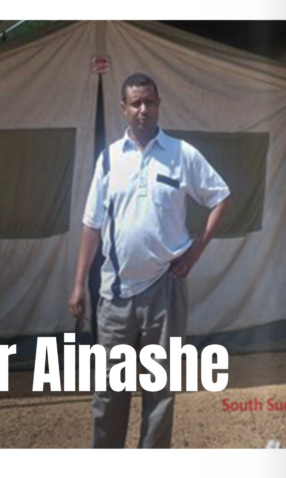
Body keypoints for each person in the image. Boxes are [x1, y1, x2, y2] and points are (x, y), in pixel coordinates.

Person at [70, 72, 230, 448]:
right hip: (116, 293)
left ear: (159, 105)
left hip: (165, 289)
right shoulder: (109, 159)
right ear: (123, 109)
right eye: (136, 103)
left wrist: (196, 250)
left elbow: (221, 197)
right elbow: (92, 225)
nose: (143, 109)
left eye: (150, 102)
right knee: (110, 390)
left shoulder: (181, 154)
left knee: (160, 390)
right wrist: (79, 283)